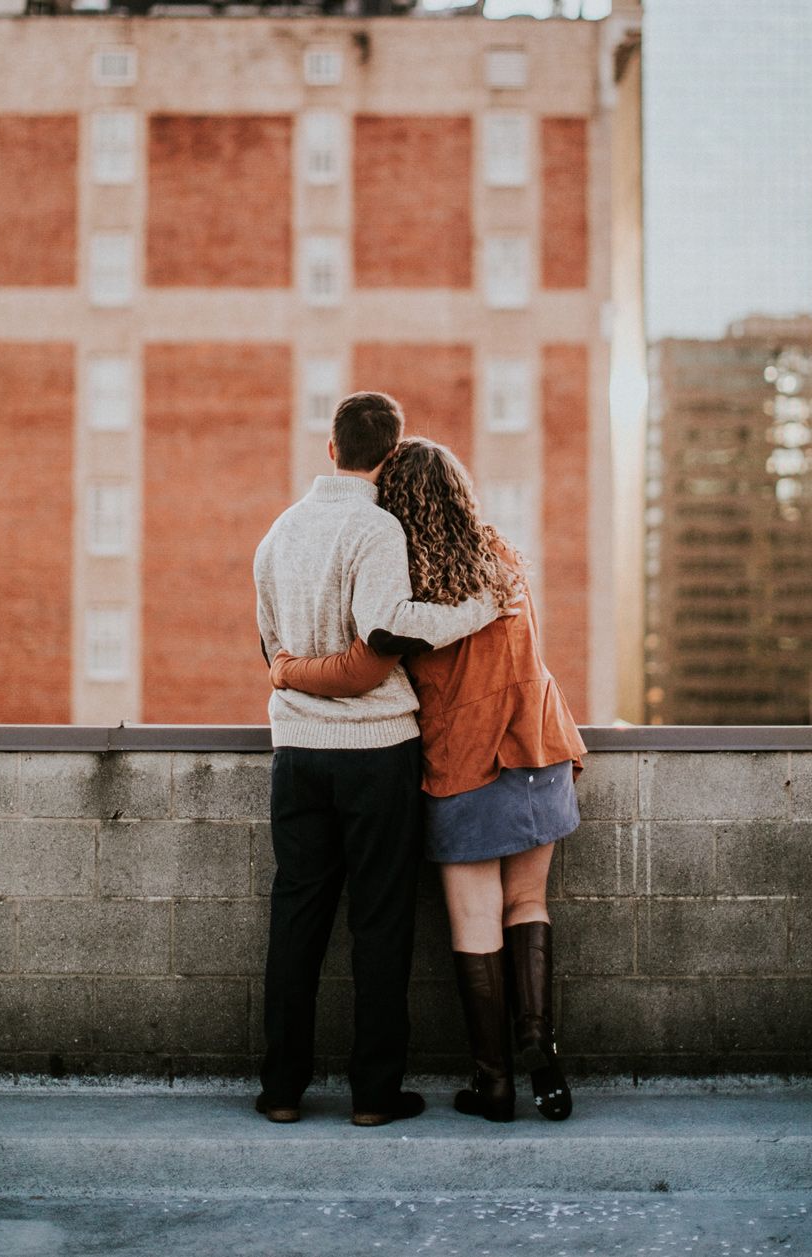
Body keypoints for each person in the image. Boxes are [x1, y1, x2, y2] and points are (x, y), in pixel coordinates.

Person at [271, 437, 586, 1123]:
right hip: (539, 746)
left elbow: (368, 659)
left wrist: (287, 669)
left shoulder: (406, 579)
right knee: (527, 903)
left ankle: (494, 1084)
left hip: (463, 762)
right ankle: (537, 1038)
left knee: (476, 918)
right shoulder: (501, 559)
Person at [254, 394, 506, 1128]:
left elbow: (272, 651)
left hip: (296, 751)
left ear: (328, 449)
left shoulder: (276, 534)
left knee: (295, 918)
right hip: (375, 751)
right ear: (390, 457)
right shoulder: (378, 527)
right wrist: (475, 609)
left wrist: (294, 676)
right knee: (381, 923)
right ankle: (372, 1094)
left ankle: (280, 1089)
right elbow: (387, 626)